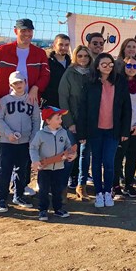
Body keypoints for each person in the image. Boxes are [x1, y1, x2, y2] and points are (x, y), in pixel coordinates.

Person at [0, 18, 49, 199]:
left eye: (30, 32)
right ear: (16, 32)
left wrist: (36, 88)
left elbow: (45, 75)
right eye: (23, 32)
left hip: (28, 104)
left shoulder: (39, 53)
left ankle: (21, 184)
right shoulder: (2, 50)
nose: (27, 35)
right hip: (6, 103)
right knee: (1, 145)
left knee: (27, 144)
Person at [77, 53, 132, 208]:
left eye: (110, 64)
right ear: (97, 66)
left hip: (113, 131)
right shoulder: (89, 82)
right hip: (95, 130)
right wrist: (81, 133)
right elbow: (83, 109)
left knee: (108, 162)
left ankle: (108, 192)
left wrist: (125, 131)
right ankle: (98, 193)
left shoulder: (120, 81)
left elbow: (126, 108)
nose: (108, 67)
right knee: (95, 163)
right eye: (104, 64)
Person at [0, 71, 41, 213]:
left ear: (25, 83)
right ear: (10, 85)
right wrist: (8, 133)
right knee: (5, 170)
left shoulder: (32, 100)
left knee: (22, 169)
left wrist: (33, 138)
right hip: (8, 141)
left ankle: (18, 195)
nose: (18, 85)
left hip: (25, 141)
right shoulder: (5, 100)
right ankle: (2, 198)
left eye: (20, 82)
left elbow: (36, 120)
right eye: (15, 83)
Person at [58, 45, 93, 200]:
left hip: (89, 122)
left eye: (86, 56)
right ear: (75, 57)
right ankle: (62, 188)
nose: (83, 59)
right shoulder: (69, 73)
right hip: (72, 121)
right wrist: (69, 122)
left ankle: (81, 185)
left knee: (85, 155)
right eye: (80, 56)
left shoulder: (93, 73)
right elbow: (63, 99)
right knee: (70, 155)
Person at [30, 107, 76, 221]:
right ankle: (43, 210)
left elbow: (68, 147)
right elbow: (33, 148)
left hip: (59, 167)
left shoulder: (63, 132)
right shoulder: (40, 134)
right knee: (43, 190)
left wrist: (72, 155)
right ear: (48, 121)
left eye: (60, 117)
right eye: (57, 118)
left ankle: (58, 209)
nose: (60, 120)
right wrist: (35, 160)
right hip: (44, 168)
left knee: (58, 189)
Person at [112, 56, 136, 199]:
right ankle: (115, 186)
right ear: (123, 67)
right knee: (117, 158)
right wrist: (122, 127)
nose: (132, 69)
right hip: (121, 128)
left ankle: (129, 185)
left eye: (135, 66)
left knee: (132, 157)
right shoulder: (117, 83)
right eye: (129, 66)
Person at [41, 34, 71, 109]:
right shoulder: (46, 63)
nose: (64, 48)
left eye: (66, 45)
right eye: (60, 44)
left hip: (67, 105)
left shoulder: (72, 64)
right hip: (50, 104)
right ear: (54, 45)